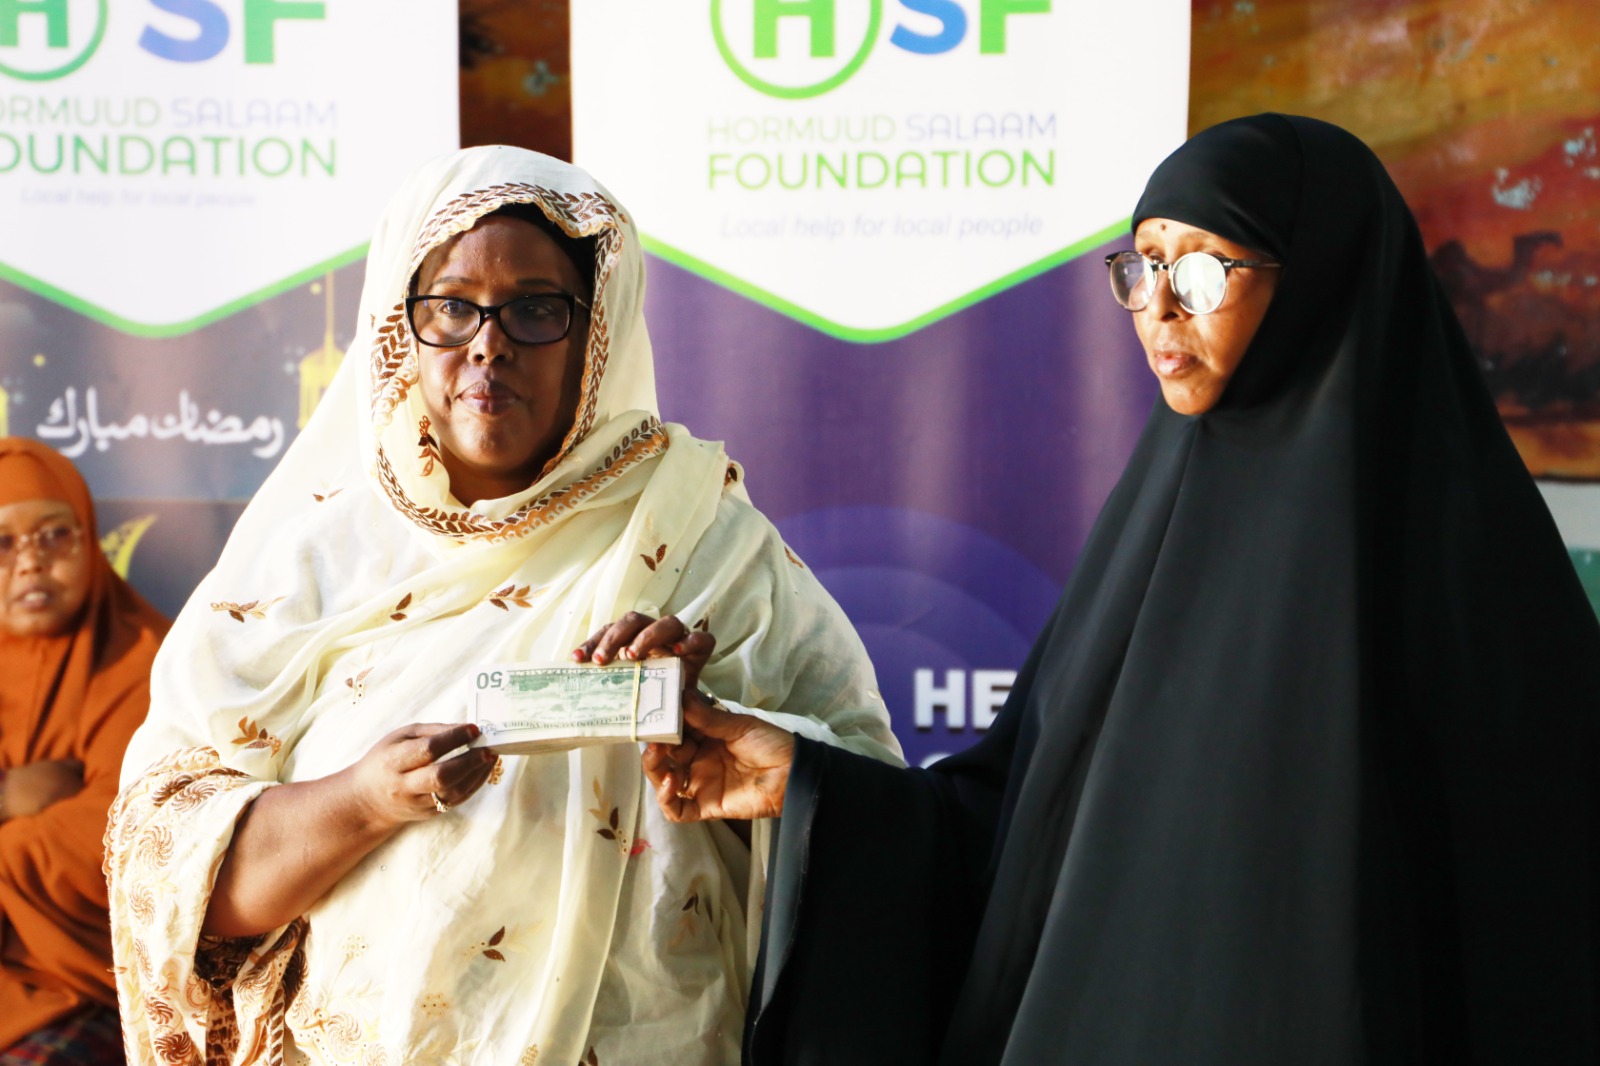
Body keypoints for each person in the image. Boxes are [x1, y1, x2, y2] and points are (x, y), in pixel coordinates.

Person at [643, 114, 1600, 1063]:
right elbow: (1017, 833)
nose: (1160, 307)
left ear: (1319, 277)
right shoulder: (1153, 525)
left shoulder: (1467, 580)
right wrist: (810, 787)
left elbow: (1528, 924)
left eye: (1203, 269)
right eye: (1144, 265)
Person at [105, 146, 900, 1066]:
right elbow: (177, 888)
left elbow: (879, 832)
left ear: (596, 331)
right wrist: (362, 801)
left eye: (535, 308)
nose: (488, 343)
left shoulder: (706, 541)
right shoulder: (308, 561)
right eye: (451, 306)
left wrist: (719, 741)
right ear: (400, 325)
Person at [0, 438, 168, 1064]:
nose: (30, 563)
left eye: (54, 536)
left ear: (89, 541)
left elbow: (123, 834)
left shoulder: (151, 664)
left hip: (87, 985)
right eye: (3, 543)